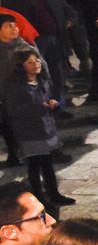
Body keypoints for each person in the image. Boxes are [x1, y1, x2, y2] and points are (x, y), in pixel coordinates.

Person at [4, 48, 70, 207]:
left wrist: (51, 103)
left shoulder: (41, 81)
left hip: (45, 128)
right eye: (30, 62)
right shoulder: (16, 87)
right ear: (21, 66)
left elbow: (46, 100)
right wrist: (40, 107)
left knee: (47, 163)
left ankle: (54, 193)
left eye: (37, 60)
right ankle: (40, 197)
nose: (36, 64)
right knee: (34, 165)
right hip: (29, 132)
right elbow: (13, 110)